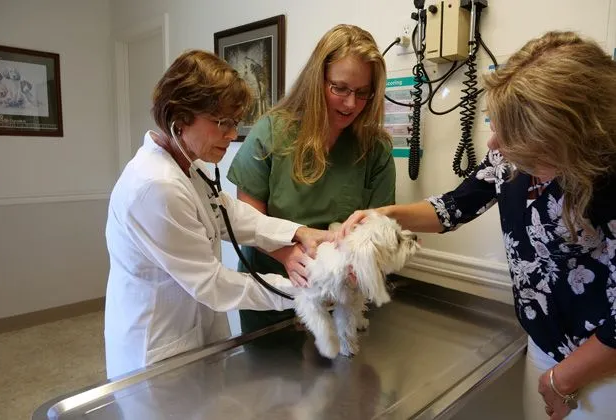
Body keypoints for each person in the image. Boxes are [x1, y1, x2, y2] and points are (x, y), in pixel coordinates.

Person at [339, 31, 616, 420]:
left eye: (513, 134)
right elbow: (454, 207)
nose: (493, 143)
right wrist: (385, 215)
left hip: (604, 367)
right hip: (543, 346)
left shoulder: (607, 178)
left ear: (565, 137)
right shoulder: (511, 162)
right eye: (494, 124)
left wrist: (564, 378)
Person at [103, 50, 332, 379]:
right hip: (156, 347)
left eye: (234, 122)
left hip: (193, 330)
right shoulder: (156, 187)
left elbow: (230, 215)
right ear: (180, 118)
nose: (232, 134)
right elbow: (212, 284)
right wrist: (301, 293)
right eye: (221, 122)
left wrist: (297, 232)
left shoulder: (185, 168)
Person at [227, 24, 396, 334]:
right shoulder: (271, 134)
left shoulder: (376, 151)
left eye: (362, 93)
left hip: (340, 297)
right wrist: (288, 255)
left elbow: (376, 228)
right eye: (340, 88)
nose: (350, 104)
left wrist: (364, 266)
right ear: (317, 80)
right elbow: (246, 222)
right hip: (272, 293)